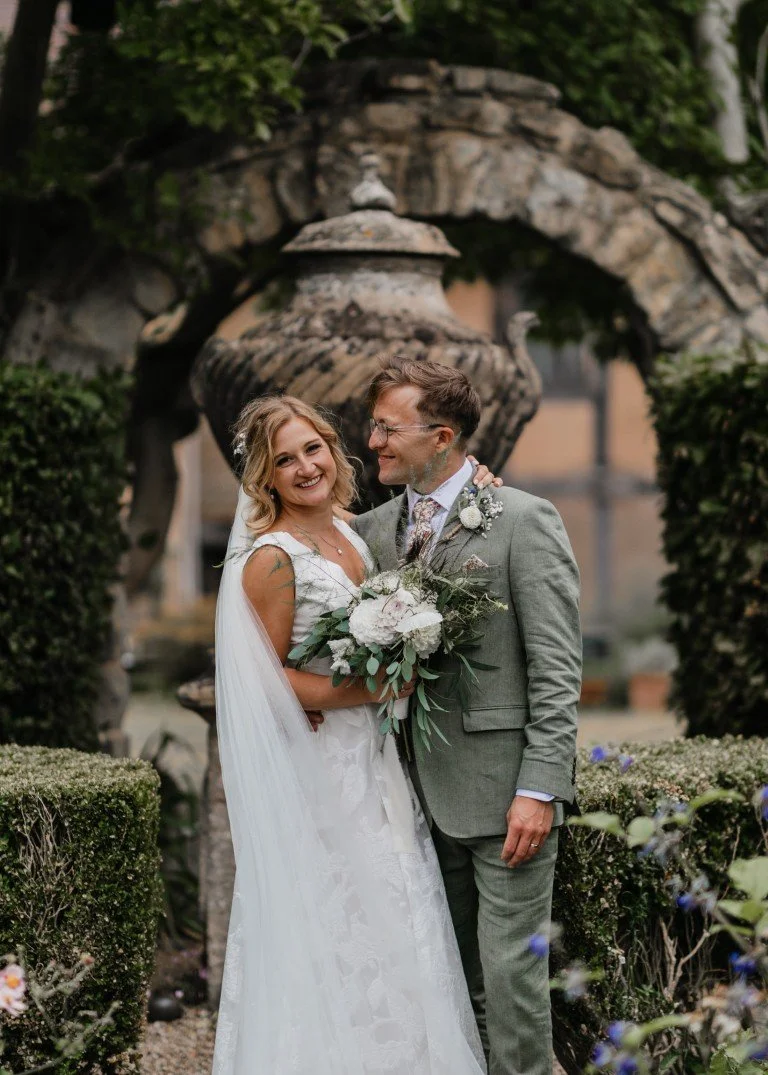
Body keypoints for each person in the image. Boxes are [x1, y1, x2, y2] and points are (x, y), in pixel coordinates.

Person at [212, 394, 498, 1075]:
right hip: (319, 772)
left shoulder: (353, 532)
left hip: (375, 761)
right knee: (335, 922)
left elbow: (423, 512)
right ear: (265, 475)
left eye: (312, 448)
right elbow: (261, 681)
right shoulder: (272, 560)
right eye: (284, 459)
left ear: (331, 450)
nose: (304, 466)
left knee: (399, 912)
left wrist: (471, 483)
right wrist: (376, 686)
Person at [352, 357, 582, 1075]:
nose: (373, 440)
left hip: (500, 792)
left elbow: (556, 667)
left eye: (388, 427)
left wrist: (540, 787)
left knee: (512, 979)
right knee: (447, 979)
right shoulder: (371, 530)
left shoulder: (524, 520)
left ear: (442, 435)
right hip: (405, 793)